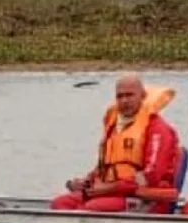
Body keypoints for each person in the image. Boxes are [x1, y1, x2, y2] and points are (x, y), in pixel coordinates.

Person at [51, 73, 180, 213]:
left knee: (91, 209)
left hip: (146, 198)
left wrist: (109, 189)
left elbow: (151, 177)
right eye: (120, 96)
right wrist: (86, 182)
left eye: (129, 95)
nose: (124, 100)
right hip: (112, 193)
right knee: (60, 203)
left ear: (143, 96)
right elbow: (105, 167)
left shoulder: (158, 130)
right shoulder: (114, 127)